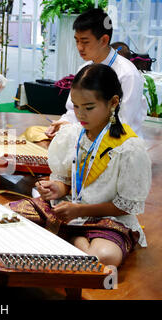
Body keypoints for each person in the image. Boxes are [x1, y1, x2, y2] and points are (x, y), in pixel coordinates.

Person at [32, 64, 151, 267]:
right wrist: (56, 188)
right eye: (76, 107)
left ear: (113, 102)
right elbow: (68, 182)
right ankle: (71, 236)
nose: (80, 115)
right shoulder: (73, 135)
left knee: (104, 257)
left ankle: (64, 234)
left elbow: (124, 206)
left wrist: (79, 211)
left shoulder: (129, 148)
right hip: (70, 209)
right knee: (14, 216)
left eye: (88, 108)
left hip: (109, 218)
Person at [44, 9, 147, 140]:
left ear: (104, 40)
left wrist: (76, 129)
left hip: (120, 146)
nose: (80, 47)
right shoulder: (85, 69)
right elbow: (73, 110)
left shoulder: (127, 74)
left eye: (85, 41)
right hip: (87, 141)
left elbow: (123, 122)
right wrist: (63, 124)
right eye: (77, 41)